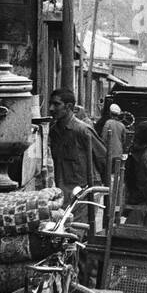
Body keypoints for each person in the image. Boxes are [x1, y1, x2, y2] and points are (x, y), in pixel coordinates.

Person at [47, 89, 108, 225]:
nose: (51, 108)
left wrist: (98, 190)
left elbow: (103, 159)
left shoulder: (82, 131)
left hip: (82, 195)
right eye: (50, 104)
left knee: (75, 234)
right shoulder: (54, 132)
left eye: (56, 104)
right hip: (62, 195)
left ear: (69, 107)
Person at [101, 103, 128, 173]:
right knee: (116, 174)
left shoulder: (108, 123)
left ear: (110, 113)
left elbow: (103, 138)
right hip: (118, 153)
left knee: (108, 174)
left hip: (109, 153)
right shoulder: (122, 125)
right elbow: (124, 140)